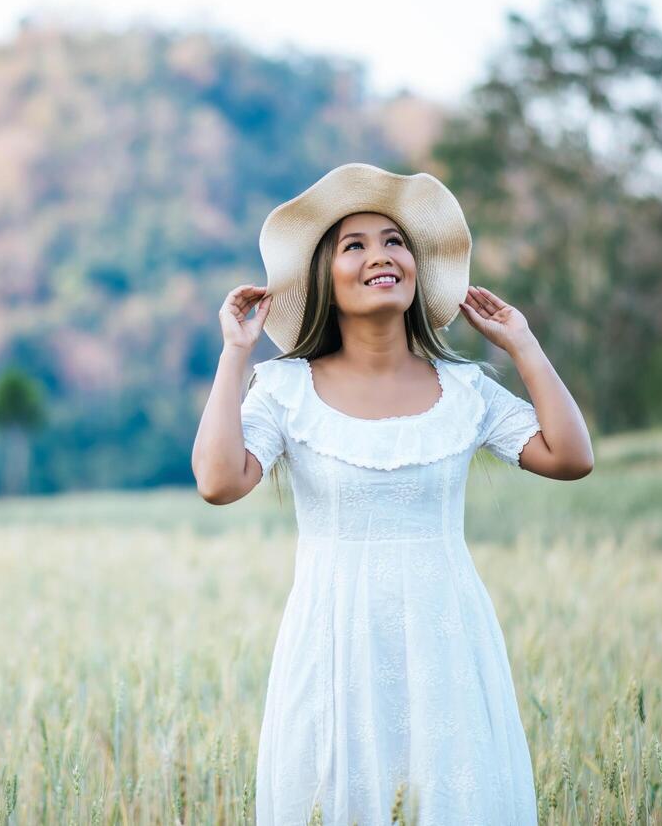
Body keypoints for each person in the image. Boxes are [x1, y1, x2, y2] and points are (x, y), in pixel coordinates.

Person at [190, 162, 594, 825]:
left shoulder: (462, 388)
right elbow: (216, 480)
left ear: (415, 267)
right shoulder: (287, 388)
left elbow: (571, 457)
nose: (380, 256)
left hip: (446, 641)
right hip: (333, 645)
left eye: (394, 242)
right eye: (354, 246)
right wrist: (235, 353)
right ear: (326, 277)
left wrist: (522, 346)